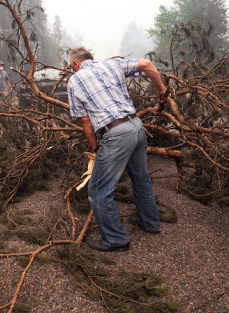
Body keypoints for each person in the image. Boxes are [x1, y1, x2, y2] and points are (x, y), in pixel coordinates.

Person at [67, 46, 168, 252]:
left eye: (71, 67)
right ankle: (151, 224)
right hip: (137, 127)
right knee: (140, 177)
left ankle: (115, 239)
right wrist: (162, 92)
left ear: (75, 64)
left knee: (98, 191)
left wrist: (95, 147)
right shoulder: (111, 64)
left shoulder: (75, 80)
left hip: (115, 134)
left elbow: (85, 121)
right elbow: (147, 64)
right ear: (91, 58)